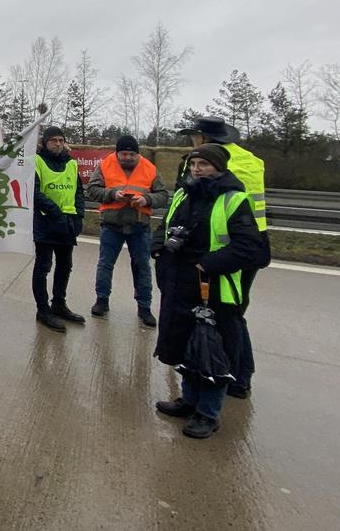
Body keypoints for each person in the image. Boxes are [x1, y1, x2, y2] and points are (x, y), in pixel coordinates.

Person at [152, 144, 266, 439]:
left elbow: (250, 247)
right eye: (193, 163)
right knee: (186, 346)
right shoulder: (183, 194)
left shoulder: (234, 199)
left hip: (213, 288)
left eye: (203, 164)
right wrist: (157, 248)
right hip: (180, 283)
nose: (196, 169)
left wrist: (209, 263)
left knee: (212, 351)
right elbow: (165, 226)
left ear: (218, 167)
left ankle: (208, 413)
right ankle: (189, 400)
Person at [177, 116, 269, 398]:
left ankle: (225, 377)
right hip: (255, 241)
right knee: (236, 312)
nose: (191, 142)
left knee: (221, 317)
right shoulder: (251, 159)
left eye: (194, 136)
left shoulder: (205, 162)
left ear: (204, 139)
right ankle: (242, 377)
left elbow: (191, 199)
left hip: (221, 245)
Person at [85, 135, 169, 326]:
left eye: (132, 154)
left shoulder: (149, 168)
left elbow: (163, 195)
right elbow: (92, 189)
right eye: (124, 154)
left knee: (142, 267)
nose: (128, 157)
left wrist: (146, 199)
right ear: (117, 152)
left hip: (140, 226)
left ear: (137, 154)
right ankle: (102, 300)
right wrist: (113, 194)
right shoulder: (105, 165)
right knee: (105, 264)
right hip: (111, 225)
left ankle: (144, 307)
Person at [32, 125, 86, 332]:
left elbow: (79, 192)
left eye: (61, 140)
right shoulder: (37, 161)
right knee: (43, 267)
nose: (58, 143)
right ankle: (43, 309)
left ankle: (59, 304)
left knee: (65, 266)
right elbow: (34, 191)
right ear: (45, 142)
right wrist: (53, 211)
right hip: (47, 222)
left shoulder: (72, 164)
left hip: (68, 224)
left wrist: (79, 214)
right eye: (53, 140)